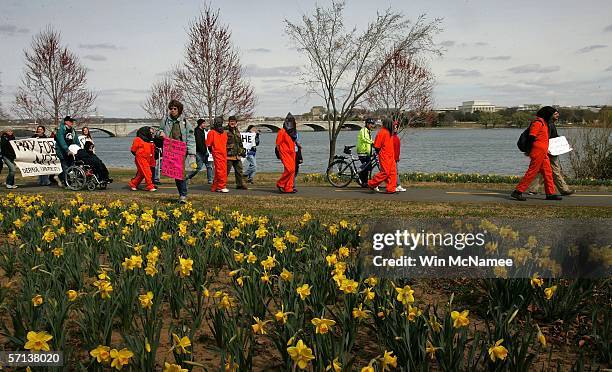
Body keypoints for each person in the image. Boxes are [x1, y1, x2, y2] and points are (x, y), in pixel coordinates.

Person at [511, 106, 562, 201]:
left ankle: (550, 194)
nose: (554, 116)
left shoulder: (545, 123)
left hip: (543, 152)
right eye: (552, 114)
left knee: (548, 172)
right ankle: (517, 192)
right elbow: (531, 138)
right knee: (532, 172)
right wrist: (528, 150)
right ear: (547, 114)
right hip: (537, 152)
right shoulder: (538, 123)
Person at [526, 109, 574, 196]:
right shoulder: (547, 124)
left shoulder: (549, 124)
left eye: (557, 113)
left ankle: (533, 189)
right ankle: (564, 190)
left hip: (548, 150)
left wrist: (564, 144)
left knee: (543, 171)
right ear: (550, 115)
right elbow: (545, 138)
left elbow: (554, 138)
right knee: (555, 170)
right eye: (555, 114)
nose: (557, 115)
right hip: (548, 151)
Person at [157, 100, 196, 203]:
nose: (173, 111)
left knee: (180, 173)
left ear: (179, 110)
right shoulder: (165, 120)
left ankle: (183, 195)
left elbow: (191, 138)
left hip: (181, 151)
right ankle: (182, 193)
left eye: (175, 109)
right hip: (170, 150)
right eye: (171, 109)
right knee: (177, 174)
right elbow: (158, 130)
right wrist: (160, 133)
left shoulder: (185, 122)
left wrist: (192, 153)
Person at [367, 118, 397, 194]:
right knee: (385, 172)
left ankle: (391, 188)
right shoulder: (382, 132)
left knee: (392, 172)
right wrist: (379, 153)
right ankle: (371, 183)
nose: (393, 125)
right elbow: (377, 146)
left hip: (390, 155)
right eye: (392, 124)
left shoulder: (390, 133)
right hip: (384, 155)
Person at [128, 126, 157, 192]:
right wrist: (139, 155)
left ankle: (133, 184)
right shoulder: (138, 139)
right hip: (141, 158)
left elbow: (152, 150)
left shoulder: (150, 140)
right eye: (150, 132)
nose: (151, 133)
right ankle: (150, 186)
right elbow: (133, 150)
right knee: (147, 172)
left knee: (141, 173)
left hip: (148, 159)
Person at [187, 119, 214, 184]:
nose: (205, 125)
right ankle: (187, 177)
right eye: (203, 123)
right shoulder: (197, 131)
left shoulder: (202, 131)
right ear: (200, 124)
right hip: (199, 152)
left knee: (209, 166)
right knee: (198, 167)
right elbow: (199, 143)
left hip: (205, 152)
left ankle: (210, 180)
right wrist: (204, 152)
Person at [55, 116, 79, 187]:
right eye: (70, 121)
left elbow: (76, 140)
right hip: (62, 152)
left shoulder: (73, 130)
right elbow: (61, 141)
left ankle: (60, 177)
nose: (72, 123)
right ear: (66, 122)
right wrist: (67, 150)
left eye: (72, 121)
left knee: (72, 167)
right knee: (65, 167)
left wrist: (78, 148)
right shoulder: (61, 130)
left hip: (71, 151)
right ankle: (67, 183)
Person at [206, 116, 229, 193]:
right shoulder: (211, 132)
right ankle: (221, 186)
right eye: (217, 122)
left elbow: (225, 143)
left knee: (221, 170)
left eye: (220, 122)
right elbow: (209, 144)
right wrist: (212, 151)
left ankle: (215, 186)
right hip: (217, 153)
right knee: (220, 170)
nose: (218, 123)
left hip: (223, 153)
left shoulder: (224, 133)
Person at [276, 113, 297, 193]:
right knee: (290, 169)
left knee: (292, 170)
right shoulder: (282, 131)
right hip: (285, 152)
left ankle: (288, 187)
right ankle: (280, 183)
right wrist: (280, 153)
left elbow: (294, 142)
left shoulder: (293, 132)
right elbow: (278, 144)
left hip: (292, 152)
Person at [226, 116, 248, 190]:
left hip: (237, 155)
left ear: (236, 122)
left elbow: (240, 143)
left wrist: (242, 151)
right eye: (231, 121)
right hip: (228, 155)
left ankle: (240, 184)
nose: (232, 123)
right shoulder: (225, 130)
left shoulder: (237, 130)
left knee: (239, 170)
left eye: (234, 121)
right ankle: (219, 184)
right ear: (228, 122)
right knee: (225, 171)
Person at [357, 118, 376, 187]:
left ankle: (364, 181)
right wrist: (373, 143)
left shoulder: (368, 131)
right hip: (362, 151)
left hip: (366, 152)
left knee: (368, 167)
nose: (372, 126)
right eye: (371, 124)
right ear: (367, 124)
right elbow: (364, 139)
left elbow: (368, 142)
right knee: (366, 167)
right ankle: (362, 180)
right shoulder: (364, 130)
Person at [392, 121, 406, 192]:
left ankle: (397, 185)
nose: (396, 129)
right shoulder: (391, 137)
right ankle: (397, 185)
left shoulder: (395, 137)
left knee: (394, 172)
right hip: (392, 158)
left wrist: (397, 158)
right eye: (394, 127)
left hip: (395, 158)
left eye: (396, 127)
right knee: (394, 172)